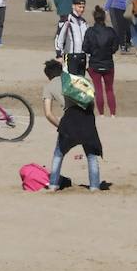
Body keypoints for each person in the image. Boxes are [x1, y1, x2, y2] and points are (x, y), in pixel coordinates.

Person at [42, 58, 104, 192]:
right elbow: (91, 98)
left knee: (59, 154)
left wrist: (60, 126)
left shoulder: (49, 87)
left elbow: (48, 113)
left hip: (69, 119)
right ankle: (94, 186)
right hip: (87, 118)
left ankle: (53, 185)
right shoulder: (75, 79)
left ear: (48, 75)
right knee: (91, 155)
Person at [82, 7, 118, 116]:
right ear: (104, 18)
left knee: (98, 90)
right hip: (108, 63)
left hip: (94, 63)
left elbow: (85, 47)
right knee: (109, 89)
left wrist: (93, 52)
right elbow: (115, 47)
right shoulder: (110, 31)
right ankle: (112, 113)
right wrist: (108, 52)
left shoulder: (90, 31)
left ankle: (101, 113)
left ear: (94, 18)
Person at [55, 0, 89, 70]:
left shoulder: (84, 22)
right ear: (73, 6)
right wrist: (59, 55)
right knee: (71, 80)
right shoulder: (66, 20)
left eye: (83, 7)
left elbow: (87, 40)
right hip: (70, 56)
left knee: (80, 80)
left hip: (82, 57)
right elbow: (59, 38)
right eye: (79, 7)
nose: (82, 9)